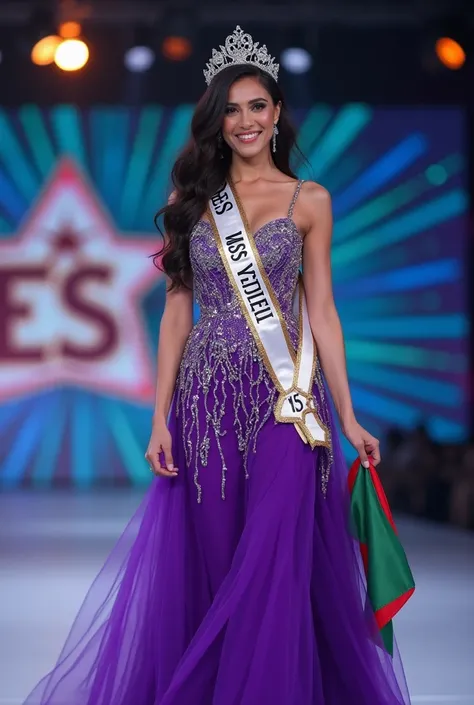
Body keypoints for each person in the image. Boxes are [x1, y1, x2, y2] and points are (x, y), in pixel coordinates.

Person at [23, 25, 411, 705]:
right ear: (216, 120)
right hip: (204, 402)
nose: (245, 121)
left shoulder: (309, 200)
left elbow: (322, 312)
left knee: (273, 556)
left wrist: (347, 414)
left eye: (257, 106)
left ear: (277, 112)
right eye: (231, 109)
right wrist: (158, 419)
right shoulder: (192, 205)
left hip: (287, 400)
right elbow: (177, 315)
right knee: (217, 556)